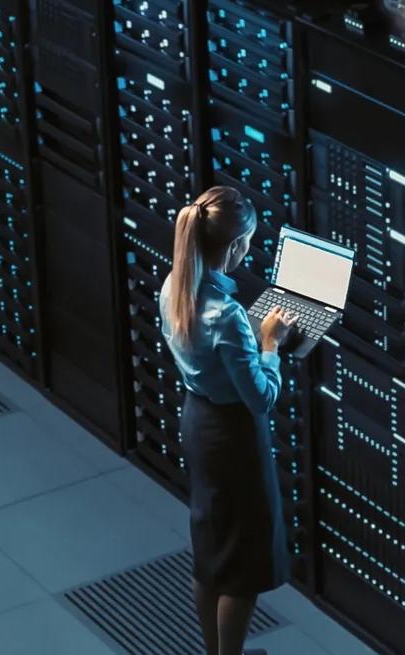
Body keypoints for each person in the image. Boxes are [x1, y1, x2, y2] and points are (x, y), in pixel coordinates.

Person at [159, 186, 299, 655]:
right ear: (236, 246)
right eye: (250, 242)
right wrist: (271, 343)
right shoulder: (227, 315)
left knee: (212, 551)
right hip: (234, 436)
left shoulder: (174, 286)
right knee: (243, 567)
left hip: (199, 423)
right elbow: (260, 399)